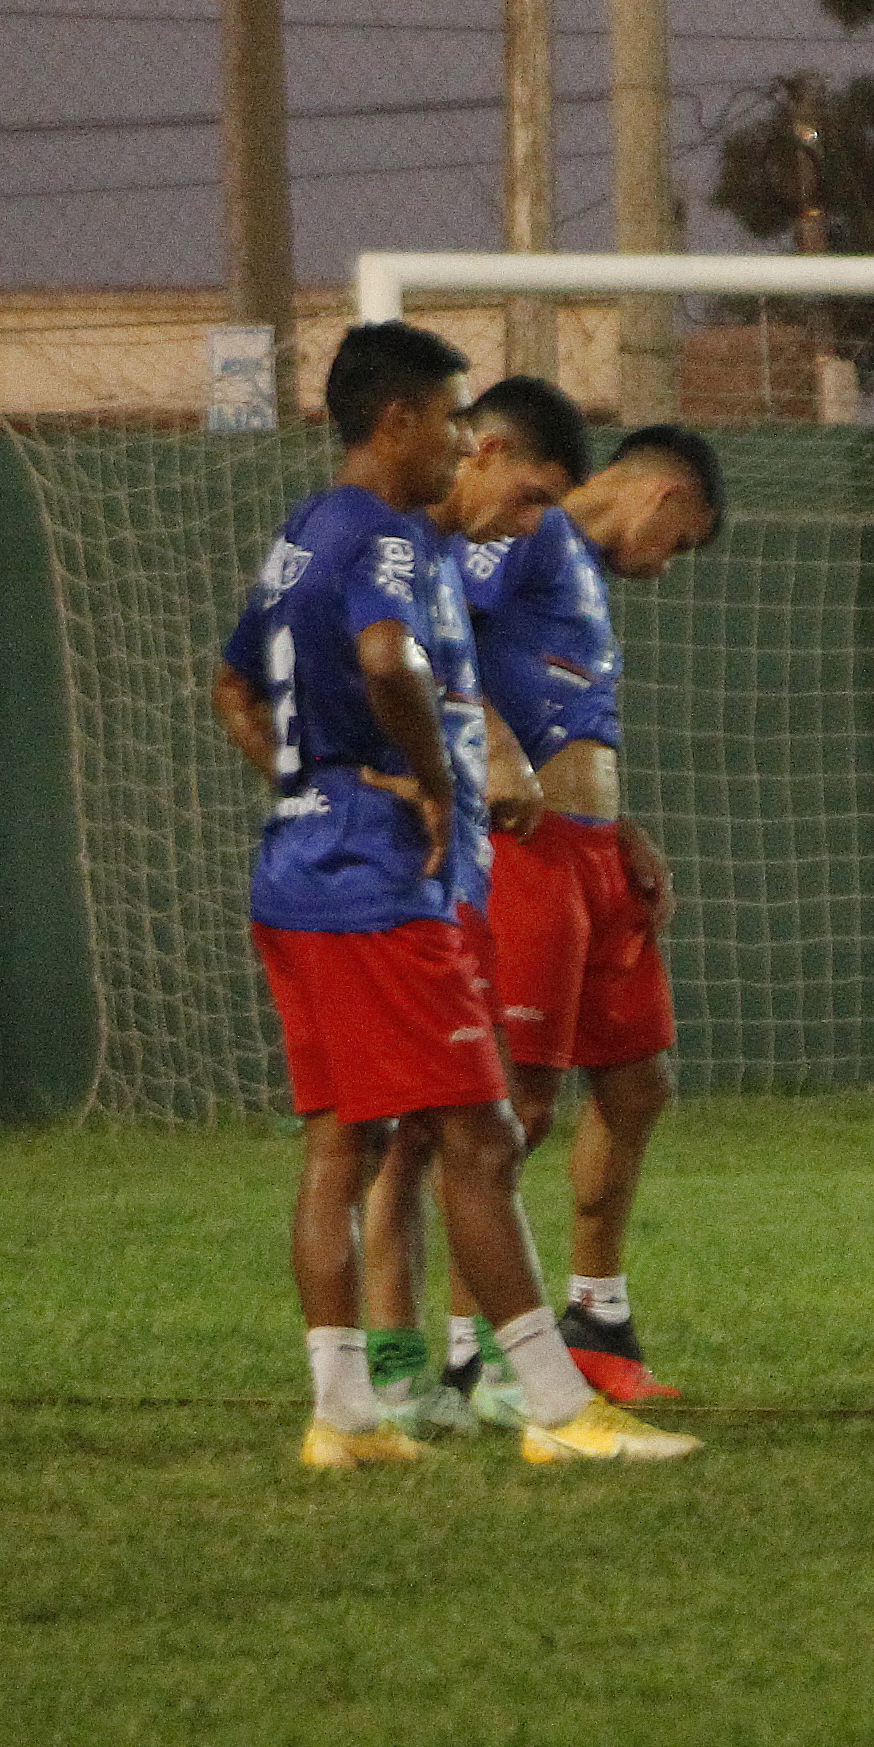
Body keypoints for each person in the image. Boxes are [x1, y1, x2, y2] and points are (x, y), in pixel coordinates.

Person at [210, 320, 693, 1467]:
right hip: (380, 886)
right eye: (450, 417)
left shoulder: (302, 534)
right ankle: (554, 1405)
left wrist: (310, 780)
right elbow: (389, 661)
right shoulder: (379, 535)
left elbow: (231, 683)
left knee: (340, 1142)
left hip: (297, 872)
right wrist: (435, 788)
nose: (461, 438)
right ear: (400, 422)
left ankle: (343, 1416)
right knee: (478, 1133)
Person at [402, 413, 724, 1411]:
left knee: (637, 1085)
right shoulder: (527, 536)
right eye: (683, 539)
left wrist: (624, 828)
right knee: (517, 1109)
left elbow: (568, 717)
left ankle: (596, 1313)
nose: (667, 567)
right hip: (528, 853)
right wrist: (493, 751)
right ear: (664, 496)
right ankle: (469, 1353)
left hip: (592, 856)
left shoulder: (568, 564)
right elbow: (428, 634)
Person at [352, 373, 577, 1432]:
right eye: (528, 496)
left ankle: (426, 1372)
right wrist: (438, 773)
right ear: (478, 447)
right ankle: (438, 1373)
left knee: (445, 1133)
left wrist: (498, 753)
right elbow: (357, 671)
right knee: (432, 1134)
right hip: (409, 887)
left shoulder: (439, 560)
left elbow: (444, 683)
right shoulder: (387, 549)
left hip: (460, 879)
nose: (527, 525)